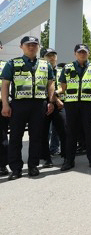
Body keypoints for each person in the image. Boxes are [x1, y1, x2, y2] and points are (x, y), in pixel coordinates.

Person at [1, 36, 55, 180]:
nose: (31, 47)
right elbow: (5, 85)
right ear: (21, 46)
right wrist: (5, 104)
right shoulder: (12, 63)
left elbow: (50, 84)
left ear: (38, 46)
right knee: (15, 137)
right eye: (28, 44)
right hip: (19, 104)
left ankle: (33, 166)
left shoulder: (46, 65)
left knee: (36, 137)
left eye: (34, 44)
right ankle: (16, 169)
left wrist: (51, 101)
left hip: (39, 104)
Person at [59, 44, 91, 170]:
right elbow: (63, 86)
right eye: (80, 52)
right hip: (71, 103)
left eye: (84, 52)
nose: (82, 54)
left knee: (89, 131)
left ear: (88, 53)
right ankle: (69, 160)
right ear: (75, 54)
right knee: (71, 132)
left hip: (88, 103)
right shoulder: (67, 68)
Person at [40, 48, 67, 168]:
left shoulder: (63, 70)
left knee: (64, 131)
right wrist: (56, 99)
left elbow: (64, 86)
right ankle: (46, 158)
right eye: (48, 55)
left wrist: (56, 96)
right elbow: (44, 87)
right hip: (45, 103)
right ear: (42, 58)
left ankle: (67, 157)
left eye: (53, 55)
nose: (52, 57)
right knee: (44, 132)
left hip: (60, 105)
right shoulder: (40, 70)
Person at [0, 58, 9, 176]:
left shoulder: (6, 64)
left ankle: (2, 165)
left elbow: (8, 85)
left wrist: (6, 103)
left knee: (2, 136)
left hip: (1, 104)